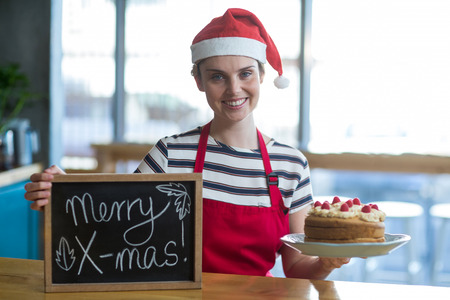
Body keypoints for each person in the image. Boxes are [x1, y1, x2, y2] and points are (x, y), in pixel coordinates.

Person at [25, 8, 350, 279]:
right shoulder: (170, 154)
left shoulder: (290, 165)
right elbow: (112, 221)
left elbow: (294, 267)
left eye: (246, 74)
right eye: (217, 77)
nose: (234, 90)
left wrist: (326, 263)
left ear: (262, 76)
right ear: (199, 82)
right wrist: (63, 190)